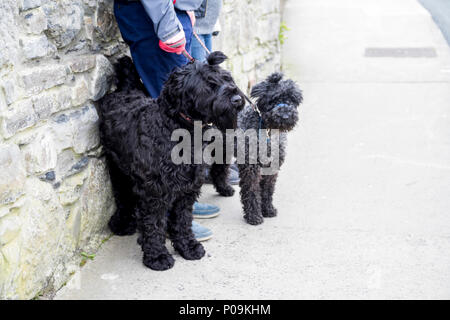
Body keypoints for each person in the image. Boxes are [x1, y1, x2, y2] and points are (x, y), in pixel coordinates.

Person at [113, 0, 217, 241]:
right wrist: (168, 25)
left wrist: (186, 11)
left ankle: (179, 204)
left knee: (182, 126)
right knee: (170, 118)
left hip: (170, 15)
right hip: (157, 16)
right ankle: (167, 215)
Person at [191, 0, 240, 185]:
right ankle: (200, 169)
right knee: (202, 102)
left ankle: (214, 163)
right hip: (194, 25)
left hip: (206, 25)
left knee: (216, 102)